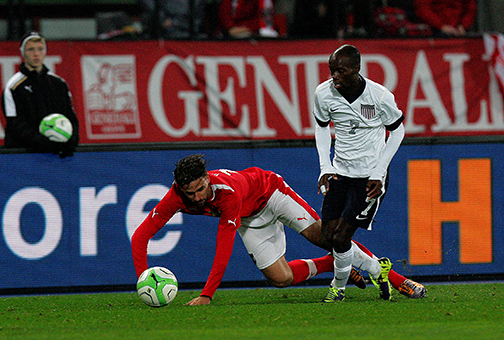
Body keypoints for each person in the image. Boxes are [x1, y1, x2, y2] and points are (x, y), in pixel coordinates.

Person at [131, 154, 426, 306]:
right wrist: (144, 280)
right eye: (189, 192)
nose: (196, 197)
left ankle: (398, 279)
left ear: (207, 179)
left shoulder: (226, 193)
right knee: (280, 278)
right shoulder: (176, 197)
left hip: (272, 193)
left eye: (200, 189)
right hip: (250, 218)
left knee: (328, 237)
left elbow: (223, 247)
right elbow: (141, 236)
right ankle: (333, 266)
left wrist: (207, 294)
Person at [313, 44, 408, 302]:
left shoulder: (379, 96)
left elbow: (397, 131)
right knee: (329, 236)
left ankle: (338, 289)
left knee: (343, 237)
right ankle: (379, 269)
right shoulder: (323, 94)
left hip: (369, 179)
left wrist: (379, 172)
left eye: (340, 71)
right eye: (332, 70)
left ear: (356, 68)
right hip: (339, 174)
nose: (334, 76)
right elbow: (322, 128)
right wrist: (325, 166)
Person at [1, 32, 79, 157]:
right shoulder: (14, 87)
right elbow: (15, 125)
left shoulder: (59, 84)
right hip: (23, 155)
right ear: (23, 53)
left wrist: (70, 141)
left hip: (55, 154)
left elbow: (70, 117)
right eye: (30, 49)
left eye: (40, 49)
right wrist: (45, 144)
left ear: (45, 51)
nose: (36, 54)